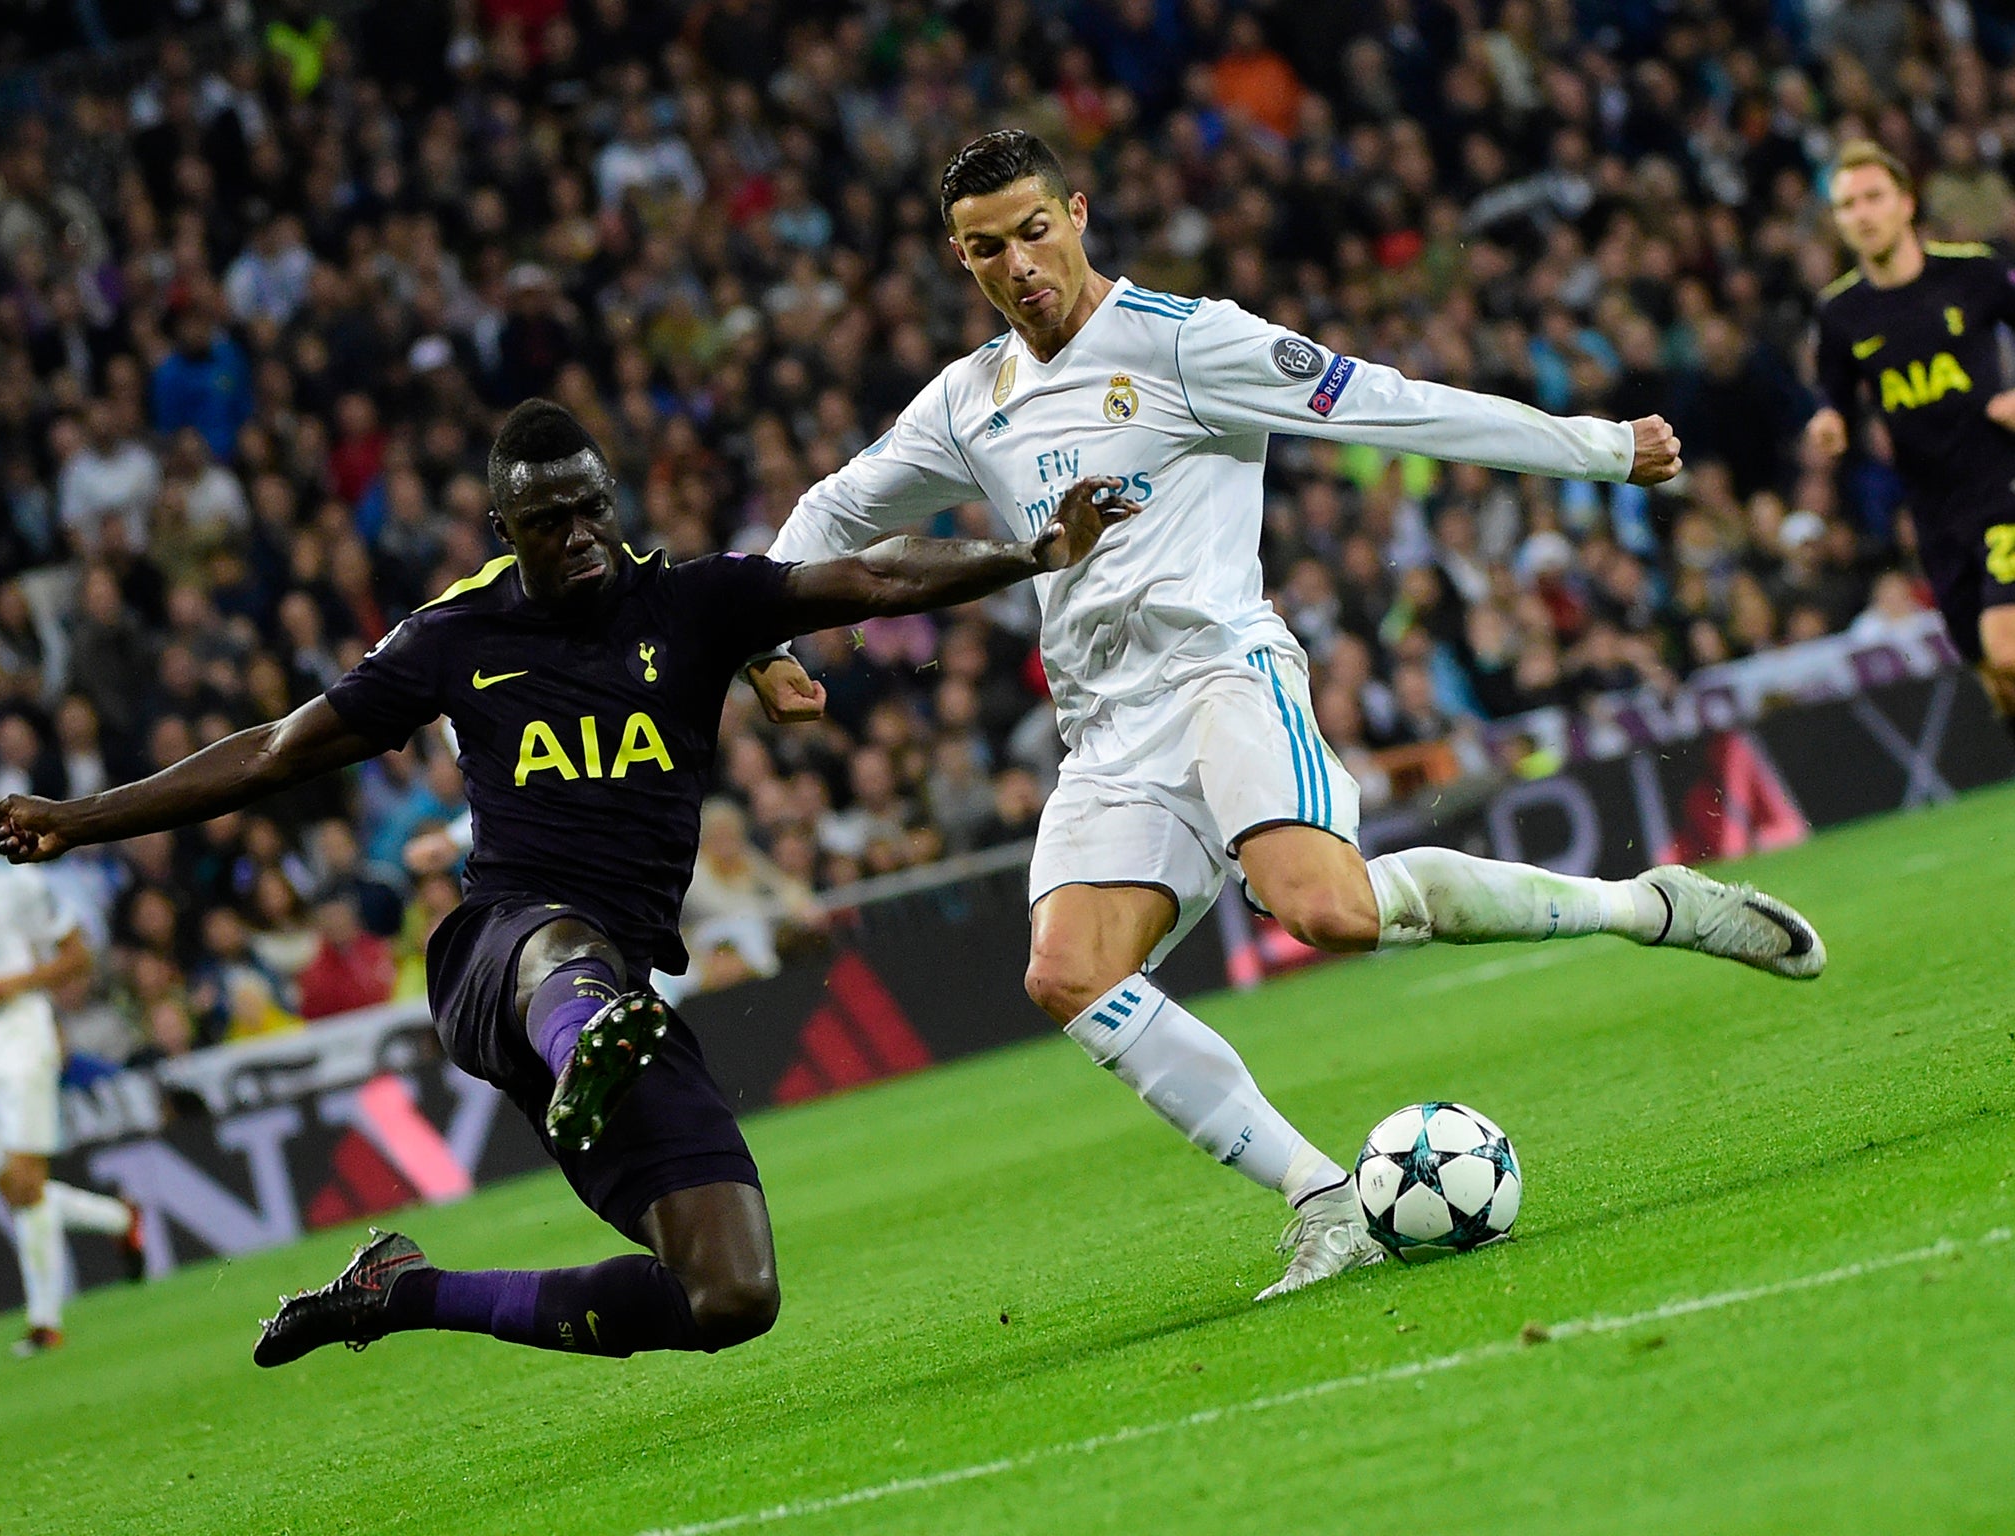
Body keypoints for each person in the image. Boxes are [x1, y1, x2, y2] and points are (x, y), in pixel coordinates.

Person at [749, 130, 1826, 1301]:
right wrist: (760, 636)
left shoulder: (1184, 338)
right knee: (1064, 975)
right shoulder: (970, 400)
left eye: (1033, 229)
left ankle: (1645, 904)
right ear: (958, 259)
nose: (1016, 264)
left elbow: (1386, 406)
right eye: (983, 249)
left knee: (1326, 910)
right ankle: (1322, 1197)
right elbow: (832, 507)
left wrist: (1597, 448)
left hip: (1223, 675)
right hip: (1107, 734)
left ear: (1079, 212)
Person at [0, 398, 1137, 1368]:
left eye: (591, 507)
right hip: (497, 956)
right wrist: (81, 820)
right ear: (505, 527)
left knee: (728, 1295)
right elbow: (278, 750)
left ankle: (406, 1292)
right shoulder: (451, 637)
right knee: (557, 942)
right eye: (546, 520)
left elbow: (878, 576)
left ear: (612, 501)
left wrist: (1030, 554)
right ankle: (585, 1035)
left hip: (620, 991)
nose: (577, 533)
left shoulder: (694, 603)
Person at [1804, 139, 2015, 741]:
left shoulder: (1973, 271)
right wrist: (1831, 423)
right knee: (1995, 680)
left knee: (2008, 651)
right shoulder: (1840, 313)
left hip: (2001, 486)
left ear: (1905, 202)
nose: (1862, 213)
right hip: (1932, 512)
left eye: (1873, 197)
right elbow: (1834, 393)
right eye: (1848, 205)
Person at [0, 823, 144, 1355]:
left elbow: (77, 956)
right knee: (17, 1191)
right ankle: (118, 1218)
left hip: (20, 1044)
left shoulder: (6, 885)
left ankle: (44, 1323)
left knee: (24, 1177)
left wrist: (16, 983)